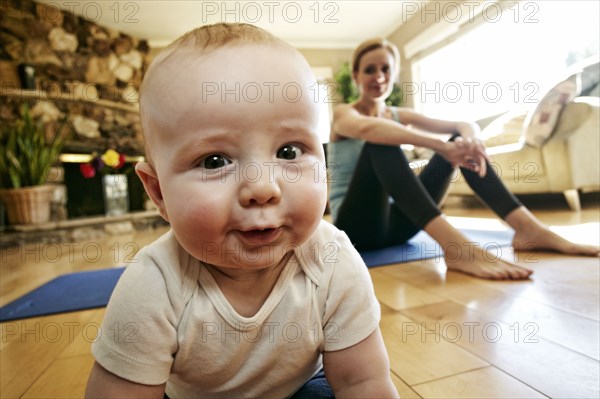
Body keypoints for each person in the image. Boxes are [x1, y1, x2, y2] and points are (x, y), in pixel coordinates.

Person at [85, 24, 399, 398]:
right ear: (158, 193)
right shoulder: (154, 284)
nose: (263, 187)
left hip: (299, 389)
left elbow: (362, 381)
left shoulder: (332, 259)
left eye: (289, 152)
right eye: (215, 160)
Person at [329, 37, 599, 280]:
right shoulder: (344, 114)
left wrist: (470, 140)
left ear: (394, 74)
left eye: (385, 69)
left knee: (460, 143)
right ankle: (456, 248)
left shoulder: (398, 114)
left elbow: (463, 124)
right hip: (356, 230)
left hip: (398, 228)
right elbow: (367, 129)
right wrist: (438, 146)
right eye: (369, 70)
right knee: (381, 144)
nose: (379, 76)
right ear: (355, 75)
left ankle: (528, 228)